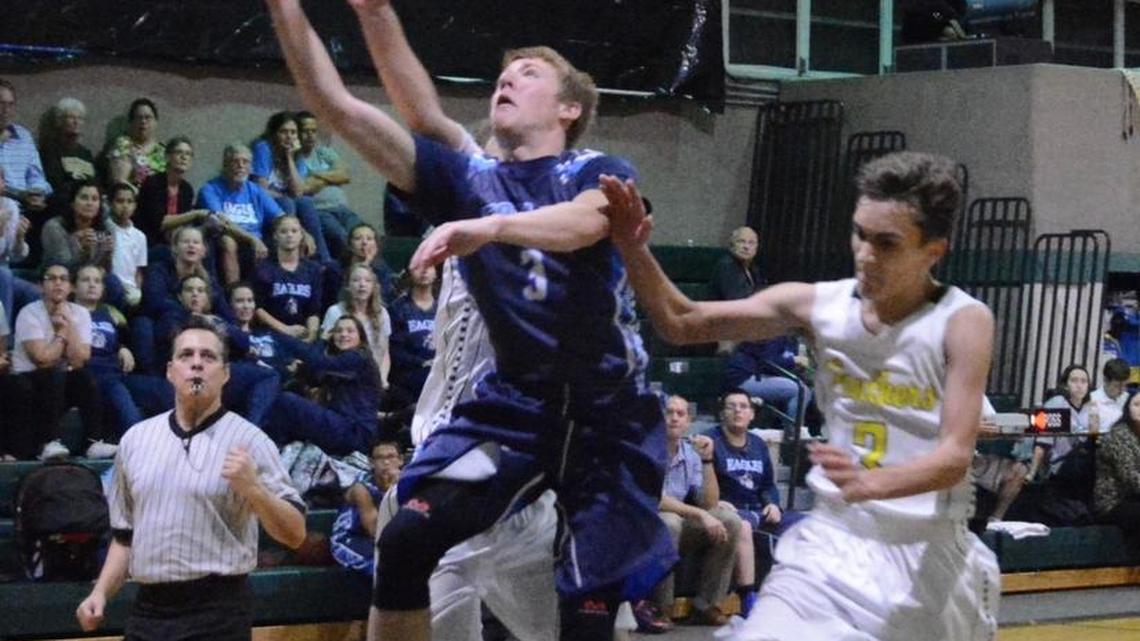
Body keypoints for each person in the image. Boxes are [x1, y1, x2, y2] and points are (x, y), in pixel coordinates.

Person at [266, 4, 674, 641]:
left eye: (528, 73)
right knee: (404, 539)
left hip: (607, 417)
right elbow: (334, 101)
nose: (506, 79)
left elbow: (588, 223)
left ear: (570, 108)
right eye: (503, 75)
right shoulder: (470, 179)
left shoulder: (595, 167)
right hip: (519, 410)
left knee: (587, 614)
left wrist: (487, 228)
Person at [599, 151, 1000, 640]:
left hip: (922, 553)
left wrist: (871, 483)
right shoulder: (819, 305)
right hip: (832, 541)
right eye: (860, 234)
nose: (865, 254)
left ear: (933, 251)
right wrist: (630, 245)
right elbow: (681, 322)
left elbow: (956, 457)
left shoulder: (962, 320)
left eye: (887, 243)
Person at [75, 315, 306, 640]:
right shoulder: (135, 441)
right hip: (149, 611)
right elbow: (125, 536)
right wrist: (100, 593)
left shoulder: (251, 441)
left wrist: (254, 490)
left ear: (225, 374)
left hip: (218, 611)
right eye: (186, 355)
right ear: (170, 371)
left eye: (208, 356)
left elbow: (295, 534)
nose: (196, 364)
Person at [640, 394, 741, 630]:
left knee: (730, 521)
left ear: (688, 422)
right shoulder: (646, 449)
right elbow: (655, 499)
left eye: (680, 414)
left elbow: (709, 503)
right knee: (670, 522)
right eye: (669, 412)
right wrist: (700, 515)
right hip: (645, 526)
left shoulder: (691, 453)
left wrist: (707, 461)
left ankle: (706, 605)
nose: (674, 418)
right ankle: (661, 607)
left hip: (679, 523)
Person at [8, 262, 111, 460]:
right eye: (51, 278)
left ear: (71, 287)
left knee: (84, 377)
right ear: (40, 286)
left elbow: (80, 360)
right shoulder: (29, 313)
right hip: (26, 382)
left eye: (63, 279)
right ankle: (49, 442)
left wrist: (69, 323)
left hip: (57, 381)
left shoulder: (80, 313)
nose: (58, 283)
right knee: (53, 374)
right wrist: (62, 332)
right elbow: (41, 359)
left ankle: (93, 442)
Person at [195, 143, 282, 284]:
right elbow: (222, 222)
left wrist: (303, 233)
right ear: (225, 165)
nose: (241, 166)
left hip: (256, 242)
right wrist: (252, 239)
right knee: (229, 242)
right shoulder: (210, 189)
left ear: (251, 167)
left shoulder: (256, 190)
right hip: (224, 237)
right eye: (235, 161)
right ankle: (233, 292)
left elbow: (280, 217)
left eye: (245, 162)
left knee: (288, 238)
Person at [331, 438, 403, 575]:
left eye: (391, 457)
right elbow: (375, 531)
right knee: (385, 567)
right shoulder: (361, 489)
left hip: (379, 542)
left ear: (401, 460)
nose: (386, 463)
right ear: (371, 463)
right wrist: (394, 492)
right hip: (350, 540)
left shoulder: (408, 483)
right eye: (379, 458)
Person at [296, 110, 362, 258]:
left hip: (342, 208)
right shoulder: (295, 159)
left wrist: (317, 175)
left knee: (364, 234)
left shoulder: (323, 152)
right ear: (297, 133)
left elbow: (345, 175)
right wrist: (332, 176)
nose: (311, 136)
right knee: (343, 237)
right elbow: (306, 187)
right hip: (320, 211)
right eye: (306, 131)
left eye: (313, 131)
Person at [253, 214, 323, 342]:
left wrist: (312, 335)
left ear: (301, 235)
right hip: (271, 335)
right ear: (275, 236)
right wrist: (285, 329)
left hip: (302, 336)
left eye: (294, 231)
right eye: (283, 231)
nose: (289, 235)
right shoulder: (264, 269)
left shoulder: (313, 270)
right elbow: (258, 309)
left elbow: (314, 311)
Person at [135, 136, 203, 248]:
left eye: (188, 154)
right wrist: (195, 214)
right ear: (167, 157)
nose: (184, 157)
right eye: (179, 152)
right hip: (150, 241)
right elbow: (159, 223)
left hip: (175, 242)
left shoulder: (187, 189)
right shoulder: (153, 183)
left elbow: (183, 224)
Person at [1094, 390, 1140, 540]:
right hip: (1114, 502)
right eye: (1137, 404)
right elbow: (1130, 477)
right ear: (1127, 409)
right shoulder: (1119, 435)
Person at [106, 98, 166, 189]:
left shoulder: (163, 151)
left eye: (148, 117)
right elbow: (119, 182)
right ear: (131, 122)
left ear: (155, 122)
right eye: (139, 117)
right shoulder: (123, 145)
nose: (143, 121)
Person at [105, 182, 148, 308]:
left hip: (130, 288)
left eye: (130, 202)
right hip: (110, 285)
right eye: (120, 201)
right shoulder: (104, 229)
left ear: (135, 205)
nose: (125, 206)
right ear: (110, 204)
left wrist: (138, 289)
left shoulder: (140, 236)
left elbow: (139, 270)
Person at [1091, 357, 1131, 432]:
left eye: (1125, 385)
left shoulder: (1129, 399)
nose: (1122, 390)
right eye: (1117, 386)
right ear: (1105, 380)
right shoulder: (1091, 401)